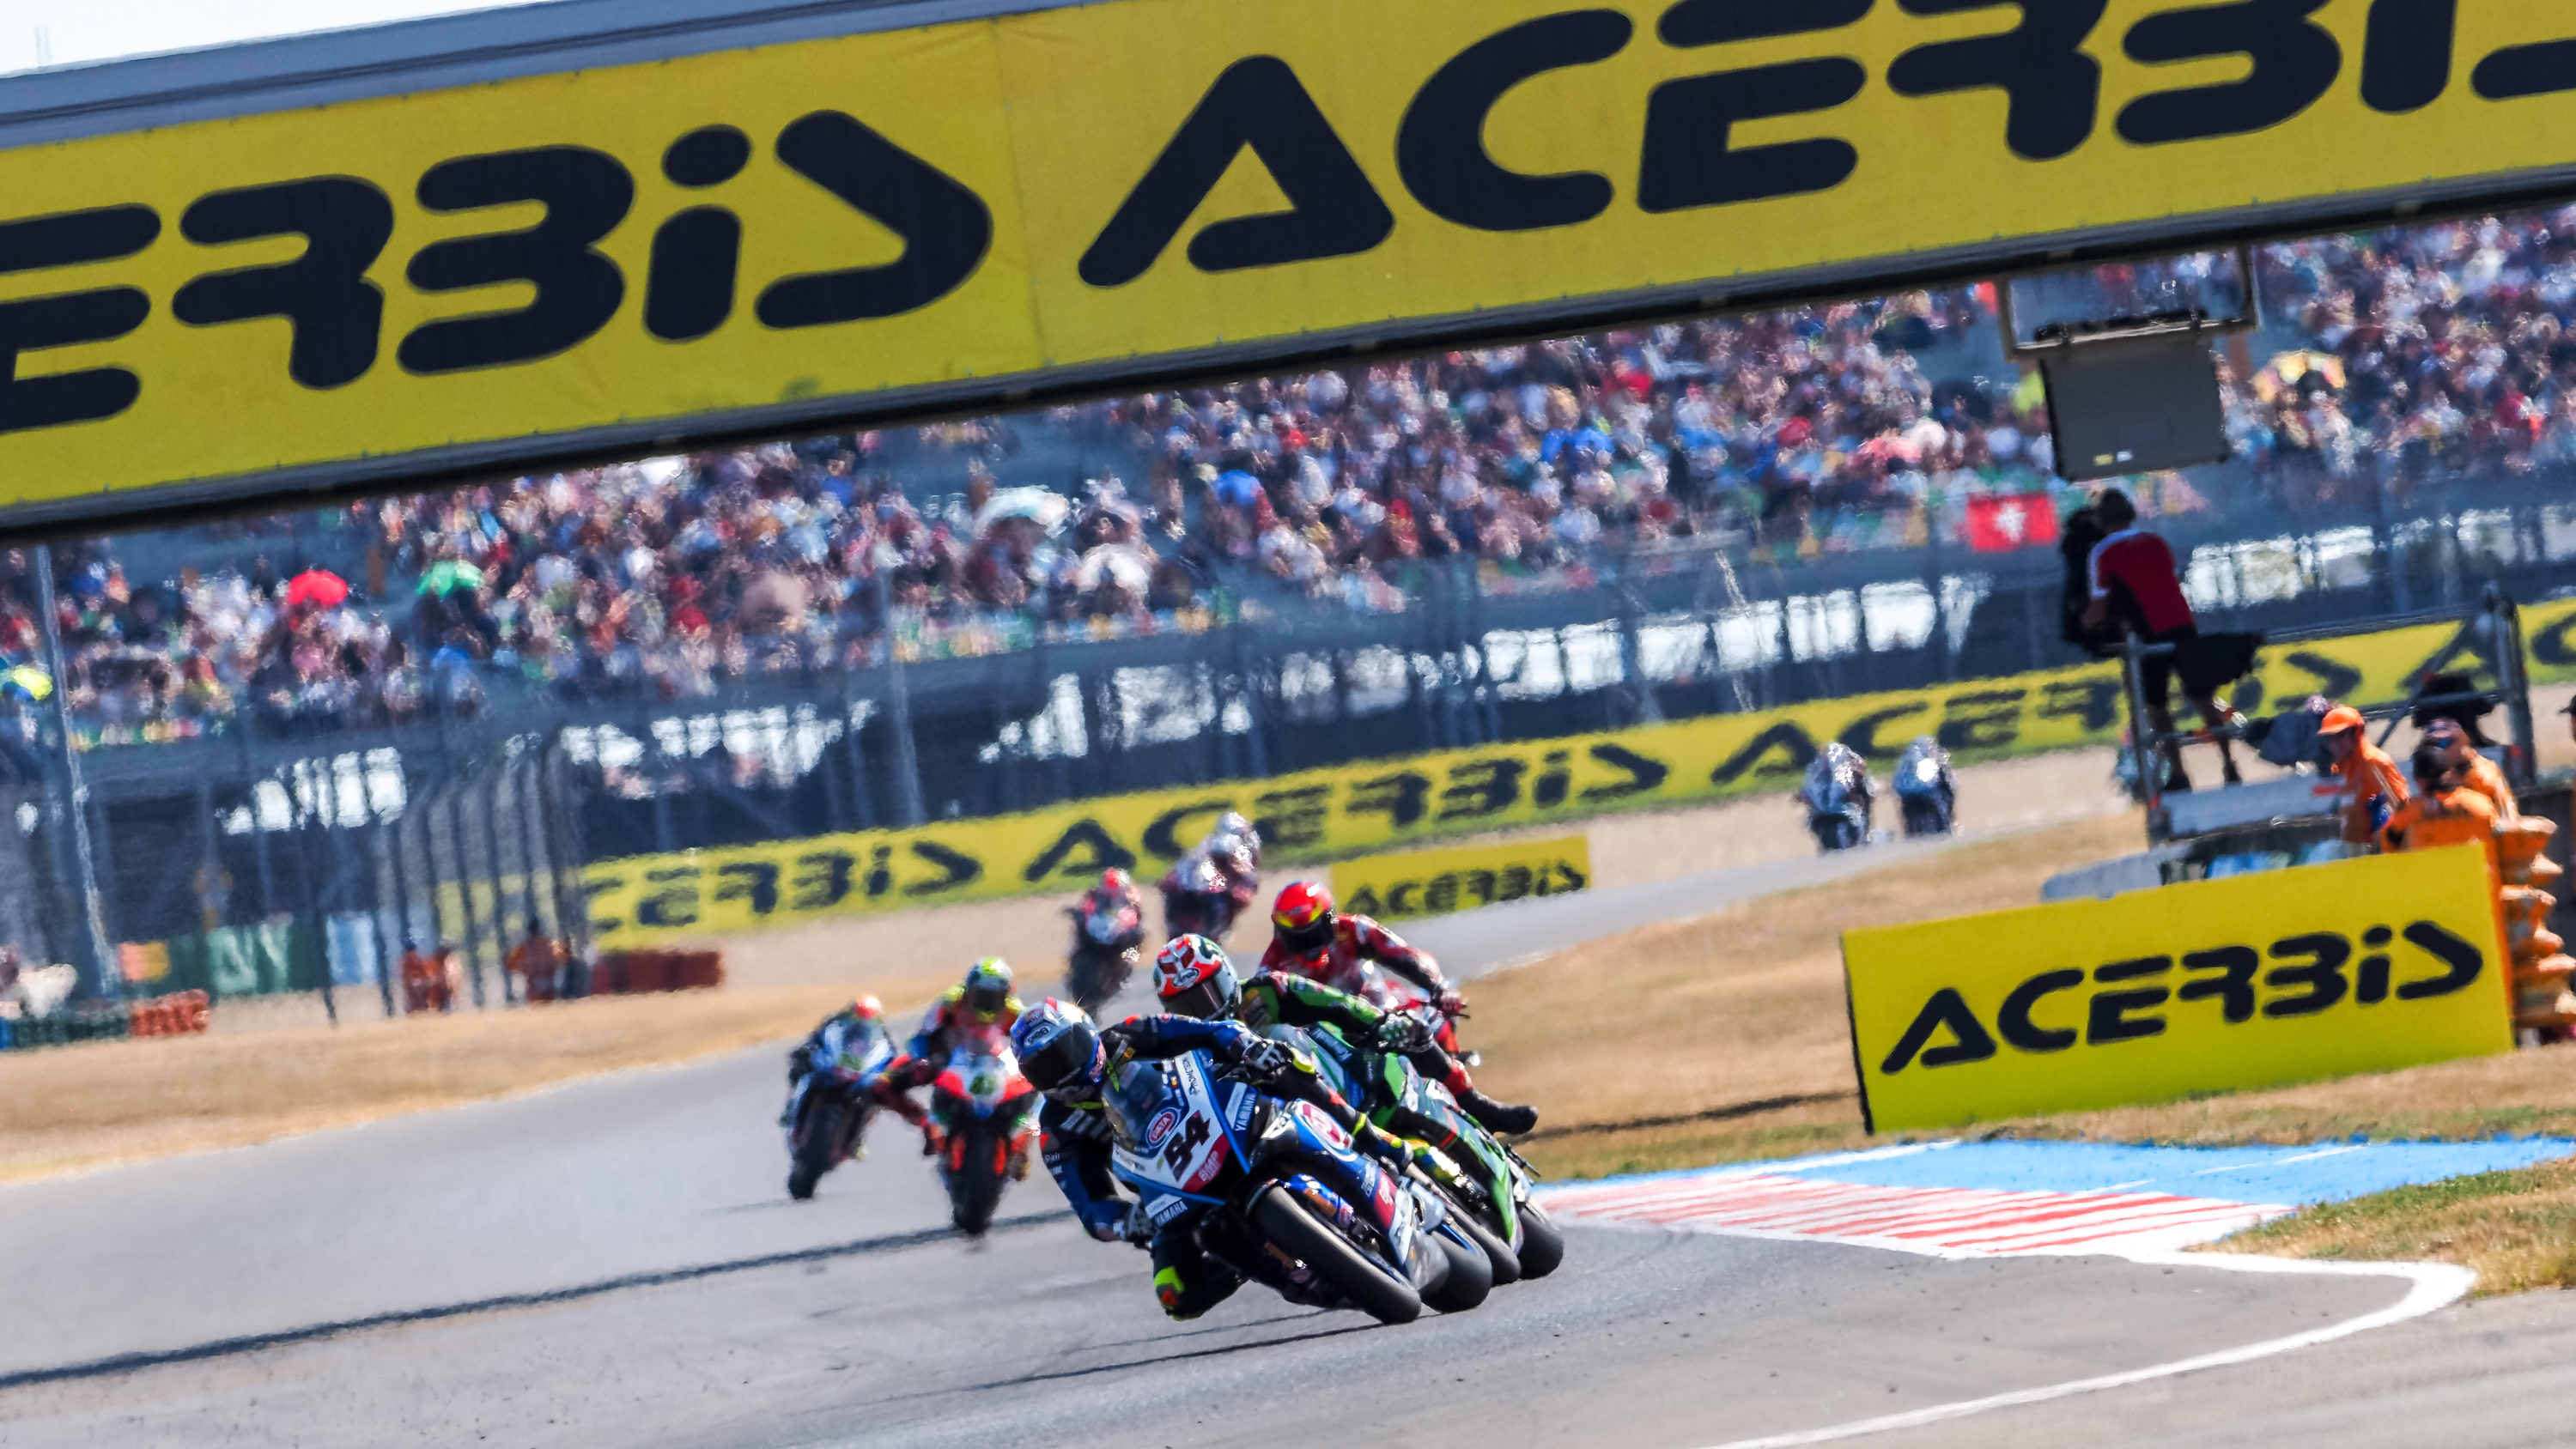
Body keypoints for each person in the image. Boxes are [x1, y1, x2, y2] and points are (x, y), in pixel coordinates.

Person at [1012, 998, 1415, 1321]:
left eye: (1068, 1050)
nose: (1064, 1069)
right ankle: (1275, 1269)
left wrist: (1248, 1048)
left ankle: (1368, 1139)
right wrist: (1124, 1221)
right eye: (1046, 1068)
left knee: (1285, 1067)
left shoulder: (1132, 1033)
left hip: (1231, 1121)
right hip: (1174, 1193)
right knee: (1175, 1294)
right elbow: (1089, 1206)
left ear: (1087, 1033)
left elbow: (1213, 1031)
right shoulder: (1058, 1130)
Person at [1155, 933, 1537, 1136]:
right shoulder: (1180, 1048)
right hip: (1276, 1124)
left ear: (1226, 977)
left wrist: (1380, 1022)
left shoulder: (1267, 989)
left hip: (1331, 1068)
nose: (1202, 1011)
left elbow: (1337, 1004)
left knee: (1412, 1030)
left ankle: (1474, 1103)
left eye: (1207, 994)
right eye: (1186, 1005)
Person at [2079, 488, 2242, 791]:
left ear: (2101, 521)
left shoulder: (2101, 553)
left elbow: (2097, 609)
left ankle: (2179, 773)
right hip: (2182, 624)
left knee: (2158, 707)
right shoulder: (2155, 541)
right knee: (2204, 699)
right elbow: (2171, 579)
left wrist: (2084, 621)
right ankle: (2229, 764)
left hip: (2147, 633)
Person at [873, 958, 1022, 1154]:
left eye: (995, 996)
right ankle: (926, 1123)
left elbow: (1033, 1042)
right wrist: (923, 1059)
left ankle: (1020, 1143)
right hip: (948, 1058)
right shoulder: (950, 1002)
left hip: (995, 1063)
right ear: (968, 991)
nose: (987, 1001)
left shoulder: (1015, 1011)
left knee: (1036, 1086)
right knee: (883, 1084)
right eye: (981, 994)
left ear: (1006, 996)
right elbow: (922, 1035)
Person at [1263, 882, 1466, 1020]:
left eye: (1311, 934)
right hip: (1326, 1035)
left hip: (1379, 1008)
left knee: (1436, 1020)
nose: (1306, 944)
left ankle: (1453, 1063)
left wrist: (1439, 988)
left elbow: (1405, 955)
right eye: (1295, 937)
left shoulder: (1355, 928)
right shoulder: (1272, 965)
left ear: (1328, 920)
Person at [2379, 743, 2501, 880]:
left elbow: (2388, 847)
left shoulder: (2410, 813)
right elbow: (2500, 841)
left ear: (2419, 781)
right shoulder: (2480, 804)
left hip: (2433, 886)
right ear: (2450, 772)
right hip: (2480, 883)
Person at [2318, 705, 2411, 846]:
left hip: (2381, 849)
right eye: (2330, 738)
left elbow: (2402, 808)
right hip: (2354, 848)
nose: (2335, 744)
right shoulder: (2338, 768)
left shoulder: (2375, 763)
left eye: (2340, 735)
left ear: (2357, 732)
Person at [2421, 718, 2516, 824]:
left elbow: (2508, 817)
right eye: (2431, 745)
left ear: (2463, 742)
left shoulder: (2484, 774)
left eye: (2444, 743)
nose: (2438, 749)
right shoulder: (2424, 772)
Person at [507, 919, 562, 1004]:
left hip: (534, 982)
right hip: (548, 979)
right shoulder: (548, 944)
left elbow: (511, 964)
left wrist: (522, 969)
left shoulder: (525, 947)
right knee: (549, 1004)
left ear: (529, 931)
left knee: (537, 1005)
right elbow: (558, 959)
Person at [398, 937, 451, 1014]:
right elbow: (405, 979)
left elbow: (428, 975)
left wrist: (426, 980)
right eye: (409, 950)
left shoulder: (420, 960)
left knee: (435, 987)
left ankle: (437, 1007)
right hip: (414, 987)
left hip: (424, 984)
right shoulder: (405, 963)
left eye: (412, 949)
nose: (411, 952)